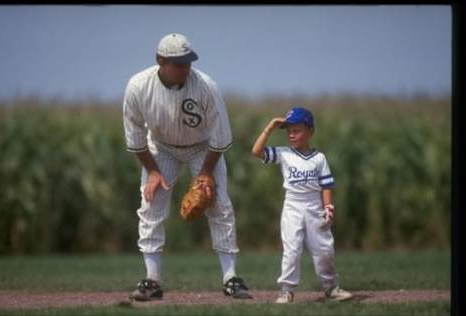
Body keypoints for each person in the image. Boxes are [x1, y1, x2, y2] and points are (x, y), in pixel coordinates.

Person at [122, 33, 252, 301]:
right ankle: (152, 280)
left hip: (203, 148)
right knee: (151, 205)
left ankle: (231, 278)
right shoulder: (138, 86)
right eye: (178, 63)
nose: (185, 68)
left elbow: (220, 137)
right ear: (160, 61)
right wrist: (154, 171)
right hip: (160, 148)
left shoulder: (205, 86)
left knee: (219, 205)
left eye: (188, 61)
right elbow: (135, 137)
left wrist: (205, 171)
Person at [251, 107, 353, 303]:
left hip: (314, 205)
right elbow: (256, 151)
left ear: (310, 131)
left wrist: (328, 207)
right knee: (292, 248)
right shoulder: (284, 153)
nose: (291, 134)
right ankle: (286, 290)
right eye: (289, 130)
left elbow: (326, 185)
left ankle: (331, 288)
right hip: (292, 205)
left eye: (296, 130)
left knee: (324, 248)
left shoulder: (319, 158)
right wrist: (270, 127)